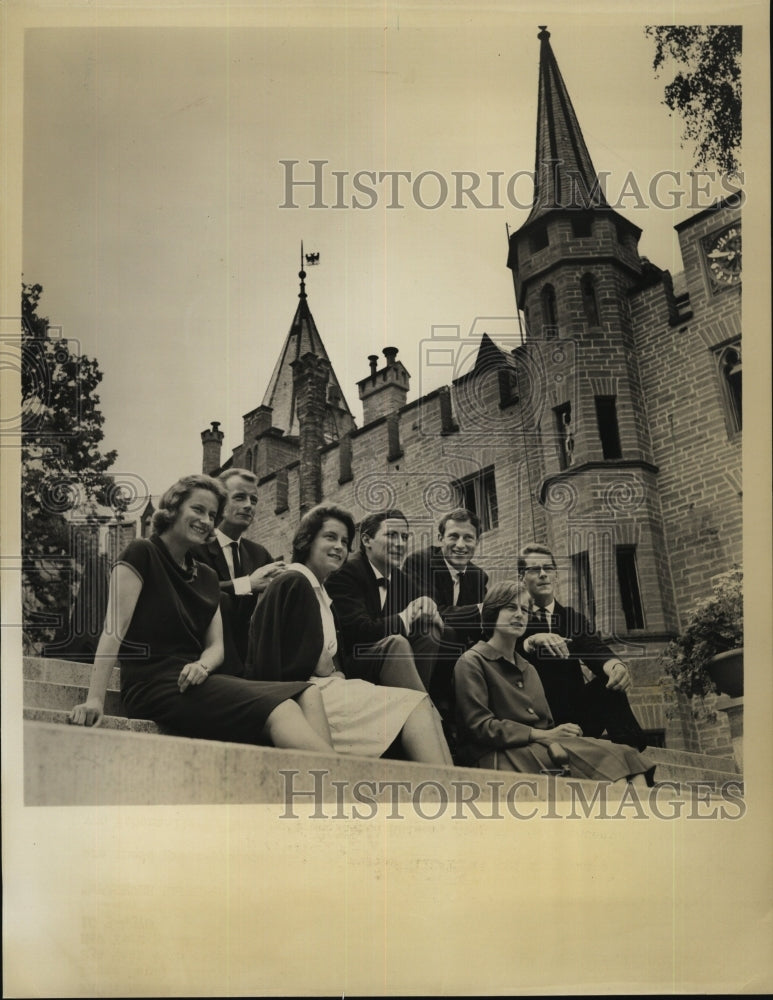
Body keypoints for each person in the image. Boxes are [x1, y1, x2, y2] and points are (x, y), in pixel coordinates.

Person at [69, 474, 334, 753]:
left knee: (308, 692)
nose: (206, 520)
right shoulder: (142, 552)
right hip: (152, 685)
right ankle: (339, 784)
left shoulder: (206, 575)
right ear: (173, 508)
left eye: (212, 514)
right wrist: (95, 699)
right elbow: (114, 630)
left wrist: (203, 665)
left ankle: (330, 784)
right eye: (198, 509)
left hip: (195, 679)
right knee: (283, 710)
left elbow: (215, 646)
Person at [245, 504, 453, 764]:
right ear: (306, 540)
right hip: (307, 696)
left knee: (421, 704)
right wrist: (332, 670)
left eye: (344, 541)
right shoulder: (294, 581)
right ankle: (446, 794)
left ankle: (449, 790)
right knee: (418, 706)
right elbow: (296, 658)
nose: (340, 547)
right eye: (330, 537)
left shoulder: (319, 590)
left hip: (327, 687)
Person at [454, 580, 653, 786]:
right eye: (511, 608)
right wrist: (545, 734)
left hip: (540, 746)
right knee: (616, 770)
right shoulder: (472, 661)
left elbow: (545, 721)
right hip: (500, 754)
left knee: (628, 757)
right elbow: (479, 727)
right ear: (492, 612)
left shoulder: (528, 667)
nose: (519, 614)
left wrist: (562, 730)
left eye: (524, 609)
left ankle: (638, 817)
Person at [515, 543, 647, 750]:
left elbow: (594, 648)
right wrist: (531, 641)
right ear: (522, 577)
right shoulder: (514, 617)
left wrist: (614, 666)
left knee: (609, 683)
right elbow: (506, 654)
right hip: (533, 718)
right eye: (534, 569)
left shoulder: (571, 618)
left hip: (575, 719)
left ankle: (634, 755)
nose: (543, 574)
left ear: (556, 575)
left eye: (548, 568)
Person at [326, 509, 443, 694]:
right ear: (366, 540)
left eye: (404, 537)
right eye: (391, 535)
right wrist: (405, 617)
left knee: (430, 631)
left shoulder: (400, 577)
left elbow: (423, 600)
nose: (400, 544)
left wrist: (428, 604)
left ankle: (425, 699)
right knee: (396, 643)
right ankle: (422, 707)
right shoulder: (345, 571)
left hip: (392, 661)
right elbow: (358, 631)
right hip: (351, 665)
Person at [191, 467, 287, 673]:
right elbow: (192, 592)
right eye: (240, 497)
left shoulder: (259, 554)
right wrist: (247, 584)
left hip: (250, 661)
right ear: (219, 502)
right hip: (200, 657)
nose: (248, 506)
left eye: (253, 500)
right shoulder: (195, 545)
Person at [403, 508, 488, 713]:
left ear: (477, 542)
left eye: (468, 538)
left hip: (457, 650)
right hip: (420, 644)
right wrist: (481, 610)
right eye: (453, 536)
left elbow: (482, 627)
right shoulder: (419, 562)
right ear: (440, 538)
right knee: (443, 632)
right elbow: (434, 612)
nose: (461, 545)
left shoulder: (478, 576)